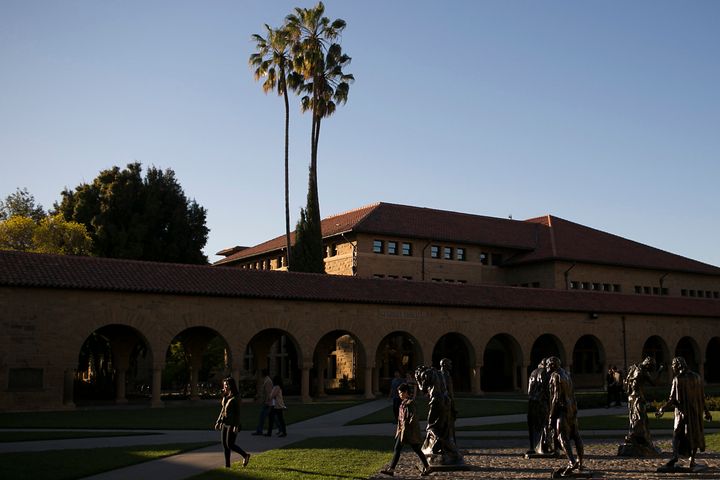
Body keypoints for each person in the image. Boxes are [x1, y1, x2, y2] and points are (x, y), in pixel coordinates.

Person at [655, 356, 712, 469]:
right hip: (695, 412)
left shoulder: (677, 379)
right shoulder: (697, 377)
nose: (672, 367)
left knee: (676, 434)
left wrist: (662, 409)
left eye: (673, 365)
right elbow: (701, 396)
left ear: (678, 365)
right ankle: (692, 460)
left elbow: (672, 400)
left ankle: (675, 456)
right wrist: (706, 411)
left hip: (681, 413)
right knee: (694, 434)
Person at [380, 383, 432, 476]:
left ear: (406, 392)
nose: (400, 395)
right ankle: (391, 469)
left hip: (408, 431)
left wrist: (408, 426)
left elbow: (414, 417)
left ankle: (427, 468)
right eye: (399, 393)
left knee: (415, 449)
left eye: (401, 393)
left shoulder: (410, 403)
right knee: (399, 449)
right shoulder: (403, 402)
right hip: (403, 431)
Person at [547, 356, 584, 476]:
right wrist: (574, 410)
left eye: (548, 364)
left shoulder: (555, 376)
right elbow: (573, 393)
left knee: (562, 437)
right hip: (571, 409)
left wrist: (551, 417)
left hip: (562, 410)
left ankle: (572, 462)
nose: (547, 367)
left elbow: (555, 398)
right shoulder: (567, 374)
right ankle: (580, 461)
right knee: (576, 435)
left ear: (553, 365)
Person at [618, 357, 663, 456]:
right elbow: (654, 383)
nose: (651, 370)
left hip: (631, 397)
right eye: (651, 367)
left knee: (635, 417)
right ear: (648, 365)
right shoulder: (643, 371)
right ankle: (635, 437)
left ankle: (637, 437)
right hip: (638, 397)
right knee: (640, 418)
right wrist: (660, 372)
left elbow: (628, 382)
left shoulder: (634, 368)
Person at [215, 377, 251, 468]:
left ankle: (245, 455)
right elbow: (222, 410)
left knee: (230, 444)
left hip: (232, 423)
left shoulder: (236, 397)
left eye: (226, 385)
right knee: (224, 445)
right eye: (224, 385)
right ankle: (227, 465)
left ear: (231, 385)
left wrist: (236, 425)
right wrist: (218, 421)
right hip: (225, 423)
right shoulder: (226, 396)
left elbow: (238, 413)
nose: (225, 386)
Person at [527, 358, 553, 456]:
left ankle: (532, 447)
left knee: (532, 426)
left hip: (532, 402)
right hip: (542, 402)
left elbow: (529, 390)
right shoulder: (545, 373)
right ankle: (544, 447)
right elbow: (546, 389)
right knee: (544, 425)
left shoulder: (533, 372)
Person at [253, 369, 273, 435]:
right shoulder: (266, 380)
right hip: (267, 402)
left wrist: (267, 402)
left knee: (263, 416)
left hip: (268, 403)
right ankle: (281, 429)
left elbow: (268, 392)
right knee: (270, 417)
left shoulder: (268, 381)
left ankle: (259, 430)